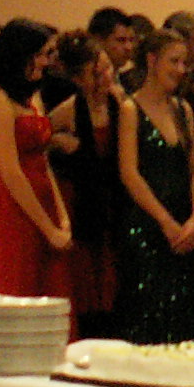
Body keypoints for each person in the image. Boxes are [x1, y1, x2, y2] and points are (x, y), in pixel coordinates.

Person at [0, 18, 73, 308]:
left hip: (42, 199)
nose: (45, 62)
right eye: (39, 54)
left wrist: (61, 215)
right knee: (16, 286)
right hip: (11, 206)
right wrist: (48, 228)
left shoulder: (31, 96)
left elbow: (42, 159)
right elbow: (10, 171)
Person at [115, 25, 194, 343]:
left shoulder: (183, 110)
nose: (181, 70)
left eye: (184, 63)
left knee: (182, 314)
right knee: (146, 313)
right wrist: (165, 221)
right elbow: (130, 173)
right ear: (152, 60)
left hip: (183, 227)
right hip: (147, 226)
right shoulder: (130, 109)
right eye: (174, 61)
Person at [49, 28, 122, 337]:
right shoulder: (68, 110)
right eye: (98, 72)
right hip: (82, 202)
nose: (107, 76)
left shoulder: (120, 103)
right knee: (85, 283)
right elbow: (39, 139)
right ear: (79, 78)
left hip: (114, 203)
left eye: (108, 68)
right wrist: (58, 141)